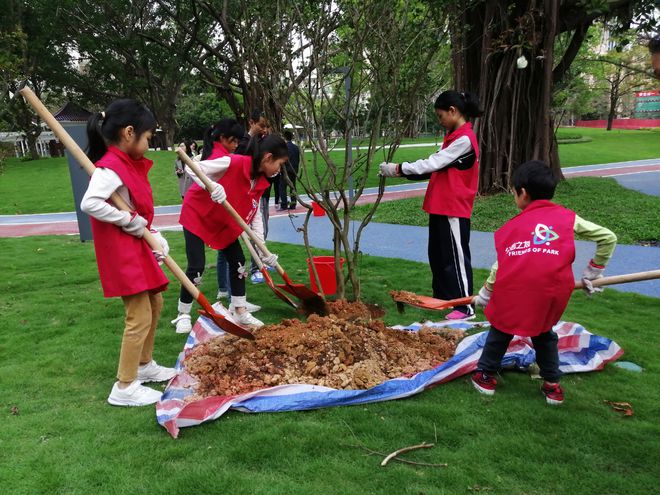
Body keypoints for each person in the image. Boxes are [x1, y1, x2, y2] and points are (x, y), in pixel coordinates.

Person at [470, 160, 617, 405]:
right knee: (544, 333)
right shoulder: (568, 218)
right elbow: (608, 237)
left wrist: (485, 293)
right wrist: (594, 271)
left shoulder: (512, 227)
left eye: (513, 192)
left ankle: (485, 375)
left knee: (501, 328)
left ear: (523, 193)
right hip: (552, 291)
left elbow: (501, 265)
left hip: (514, 289)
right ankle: (552, 386)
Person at [80, 99, 176, 407]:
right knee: (138, 315)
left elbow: (139, 213)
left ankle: (144, 365)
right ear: (129, 132)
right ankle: (124, 386)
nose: (149, 142)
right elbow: (91, 203)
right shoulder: (109, 168)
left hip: (135, 244)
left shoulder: (126, 164)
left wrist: (153, 235)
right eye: (148, 137)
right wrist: (129, 221)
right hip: (121, 252)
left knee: (155, 301)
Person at [379, 90, 483, 320]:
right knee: (439, 256)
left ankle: (465, 306)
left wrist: (397, 169)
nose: (440, 121)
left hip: (454, 208)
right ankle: (445, 299)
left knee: (456, 258)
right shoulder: (453, 138)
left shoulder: (465, 139)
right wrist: (399, 172)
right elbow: (434, 168)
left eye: (440, 115)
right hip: (440, 206)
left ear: (453, 111)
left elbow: (432, 163)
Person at [171, 132, 287, 331]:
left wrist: (262, 251)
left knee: (238, 261)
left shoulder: (259, 181)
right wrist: (213, 186)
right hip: (199, 214)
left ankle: (239, 310)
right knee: (196, 265)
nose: (279, 169)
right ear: (268, 158)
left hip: (222, 222)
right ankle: (183, 313)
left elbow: (255, 213)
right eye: (280, 163)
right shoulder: (233, 162)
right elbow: (194, 168)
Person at [235, 109, 273, 284]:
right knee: (236, 237)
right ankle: (252, 269)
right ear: (251, 122)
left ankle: (261, 263)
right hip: (242, 195)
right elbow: (239, 161)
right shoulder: (244, 142)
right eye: (261, 125)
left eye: (266, 126)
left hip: (258, 193)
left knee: (260, 228)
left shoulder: (261, 141)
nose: (264, 129)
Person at [278, 130, 300, 210]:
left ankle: (284, 204)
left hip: (286, 170)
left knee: (282, 187)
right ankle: (293, 204)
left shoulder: (284, 148)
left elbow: (283, 159)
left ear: (284, 138)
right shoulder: (296, 147)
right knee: (292, 187)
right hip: (294, 170)